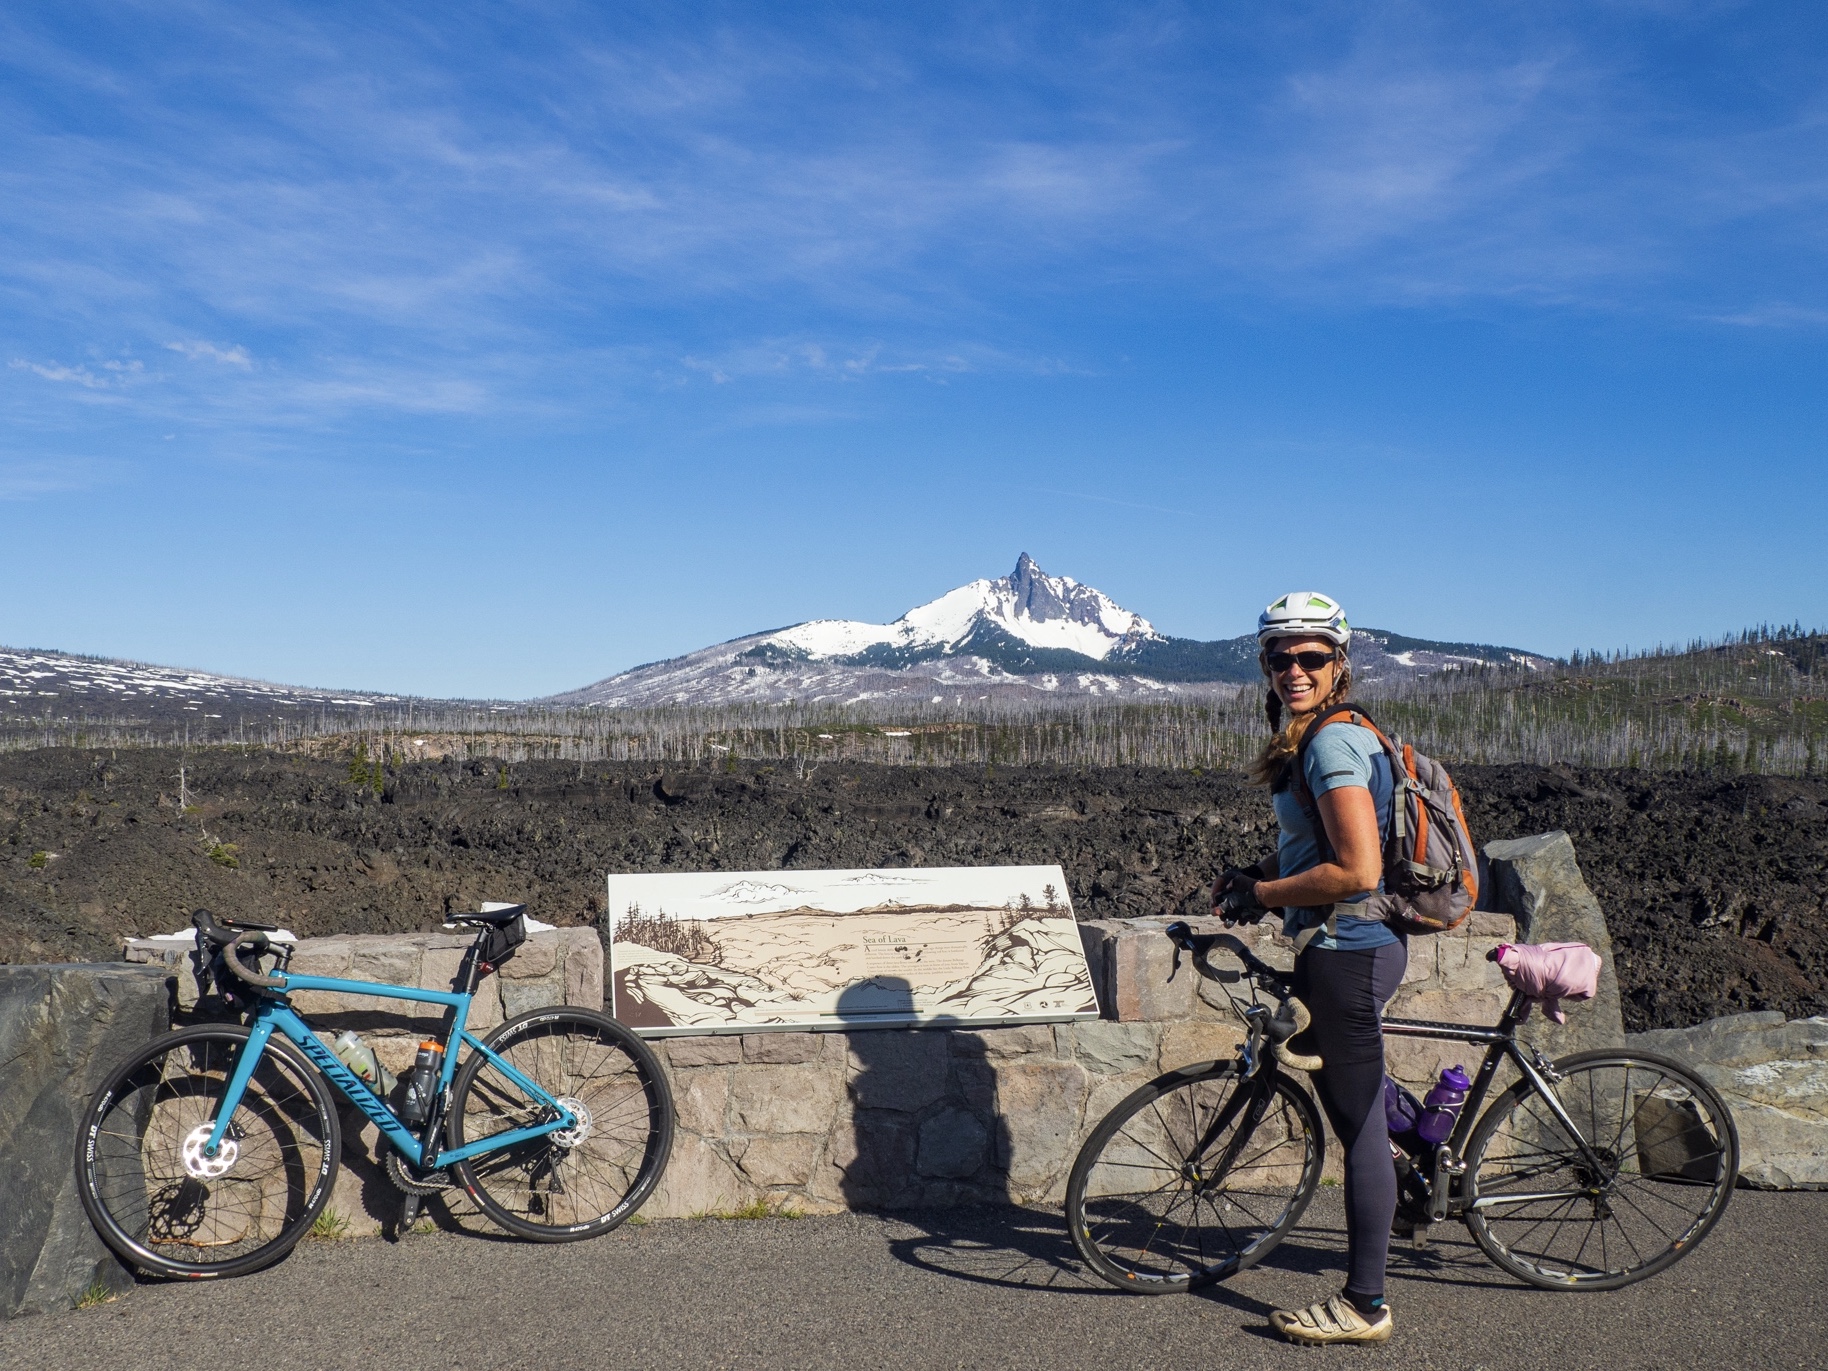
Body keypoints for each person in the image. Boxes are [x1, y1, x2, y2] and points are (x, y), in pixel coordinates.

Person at [1212, 590, 1403, 1347]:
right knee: (1361, 1096)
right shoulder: (1318, 736)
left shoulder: (1330, 744)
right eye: (1279, 657)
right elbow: (1317, 848)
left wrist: (1264, 892)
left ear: (1339, 663)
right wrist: (1258, 878)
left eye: (1310, 656)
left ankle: (1366, 1303)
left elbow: (1356, 868)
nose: (1294, 668)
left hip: (1350, 952)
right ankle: (1415, 1183)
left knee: (1359, 1127)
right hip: (1342, 949)